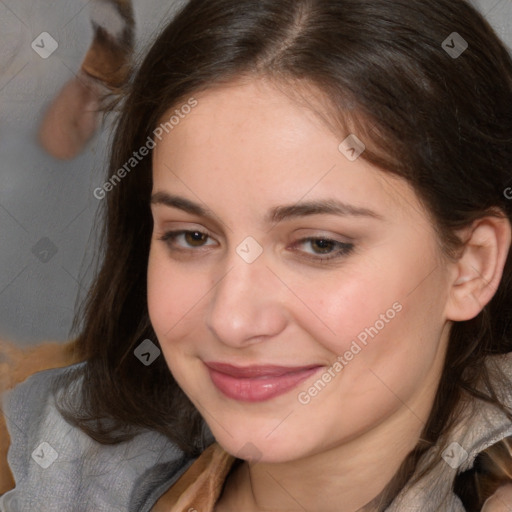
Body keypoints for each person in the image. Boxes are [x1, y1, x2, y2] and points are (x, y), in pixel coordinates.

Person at [1, 0, 512, 510]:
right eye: (193, 237)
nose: (232, 320)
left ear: (472, 266)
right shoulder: (50, 474)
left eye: (320, 244)